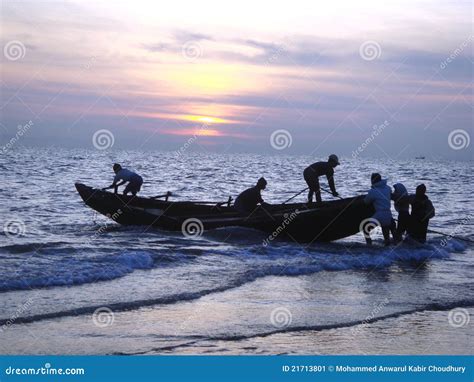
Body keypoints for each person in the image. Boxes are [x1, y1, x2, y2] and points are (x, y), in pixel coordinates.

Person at [363, 173, 395, 246]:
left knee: (365, 228)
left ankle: (369, 245)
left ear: (373, 180)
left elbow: (366, 202)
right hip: (388, 214)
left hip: (379, 215)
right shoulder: (388, 188)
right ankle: (389, 248)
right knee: (386, 234)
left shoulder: (373, 191)